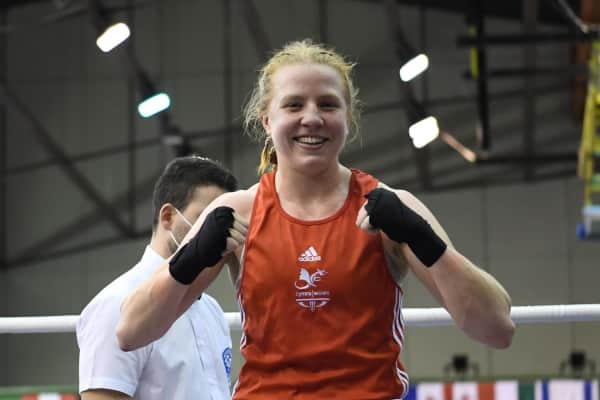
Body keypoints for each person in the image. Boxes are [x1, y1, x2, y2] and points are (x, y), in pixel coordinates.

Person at [116, 40, 515, 399]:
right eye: (294, 105)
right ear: (267, 120)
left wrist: (425, 240)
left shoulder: (391, 207)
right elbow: (131, 332)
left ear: (348, 118)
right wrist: (189, 260)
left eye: (327, 104)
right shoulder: (239, 213)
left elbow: (496, 329)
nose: (312, 118)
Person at [77, 156, 237, 400]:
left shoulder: (211, 310)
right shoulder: (114, 304)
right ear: (168, 217)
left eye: (222, 224)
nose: (214, 234)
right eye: (204, 220)